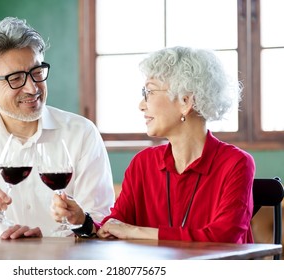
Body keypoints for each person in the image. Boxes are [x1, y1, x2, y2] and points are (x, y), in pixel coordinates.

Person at [0, 17, 114, 239]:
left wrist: (64, 230)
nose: (32, 87)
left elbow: (100, 219)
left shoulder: (81, 132)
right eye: (15, 78)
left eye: (37, 72)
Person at [52, 46, 256, 243]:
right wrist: (82, 220)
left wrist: (134, 232)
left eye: (149, 92)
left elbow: (223, 238)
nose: (141, 105)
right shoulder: (144, 163)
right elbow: (112, 227)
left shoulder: (236, 163)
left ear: (185, 101)